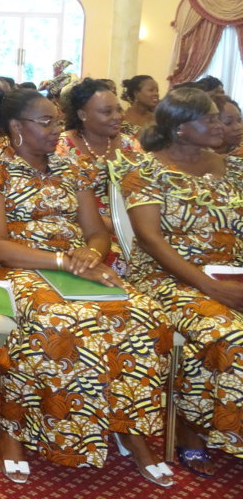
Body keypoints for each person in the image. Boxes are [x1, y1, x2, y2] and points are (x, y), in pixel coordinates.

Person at [0, 88, 174, 486]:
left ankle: (128, 427)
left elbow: (96, 233)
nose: (56, 131)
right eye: (46, 122)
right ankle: (15, 431)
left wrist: (90, 255)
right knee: (57, 318)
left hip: (77, 268)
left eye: (58, 122)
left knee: (143, 313)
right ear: (16, 126)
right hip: (13, 270)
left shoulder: (72, 168)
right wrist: (63, 261)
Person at [116, 87, 243, 476]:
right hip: (169, 278)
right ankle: (191, 429)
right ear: (180, 129)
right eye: (210, 118)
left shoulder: (236, 169)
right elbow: (150, 240)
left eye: (221, 118)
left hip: (233, 273)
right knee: (227, 332)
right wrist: (211, 286)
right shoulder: (145, 171)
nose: (220, 125)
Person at [55, 78, 140, 272]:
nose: (117, 116)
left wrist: (133, 224)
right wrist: (116, 225)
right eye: (107, 112)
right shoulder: (62, 147)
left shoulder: (130, 145)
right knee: (120, 261)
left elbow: (144, 193)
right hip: (85, 226)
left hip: (131, 222)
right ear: (82, 114)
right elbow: (64, 202)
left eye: (118, 109)